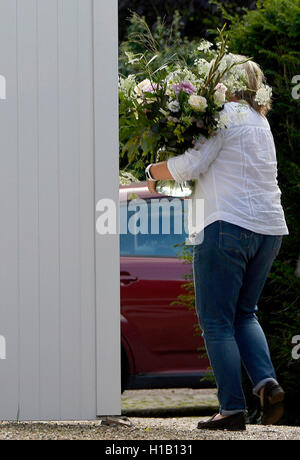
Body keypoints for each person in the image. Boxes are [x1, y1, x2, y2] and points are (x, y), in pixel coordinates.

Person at [144, 56, 288, 431]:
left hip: (226, 226)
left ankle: (231, 408)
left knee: (216, 321)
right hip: (269, 229)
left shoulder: (224, 117)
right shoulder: (261, 122)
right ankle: (266, 383)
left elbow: (193, 165)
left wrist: (154, 171)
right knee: (245, 313)